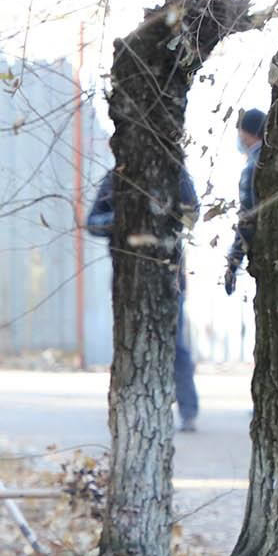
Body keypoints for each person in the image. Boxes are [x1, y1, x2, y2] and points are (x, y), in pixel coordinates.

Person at [87, 167, 200, 431]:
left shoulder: (177, 175)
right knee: (129, 345)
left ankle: (188, 410)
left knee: (175, 347)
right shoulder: (116, 178)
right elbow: (93, 222)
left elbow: (192, 216)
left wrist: (163, 216)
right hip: (128, 281)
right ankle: (133, 414)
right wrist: (125, 218)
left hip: (169, 281)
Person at [226, 107, 266, 296]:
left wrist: (233, 263)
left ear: (247, 133)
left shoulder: (252, 168)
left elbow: (247, 219)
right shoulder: (274, 159)